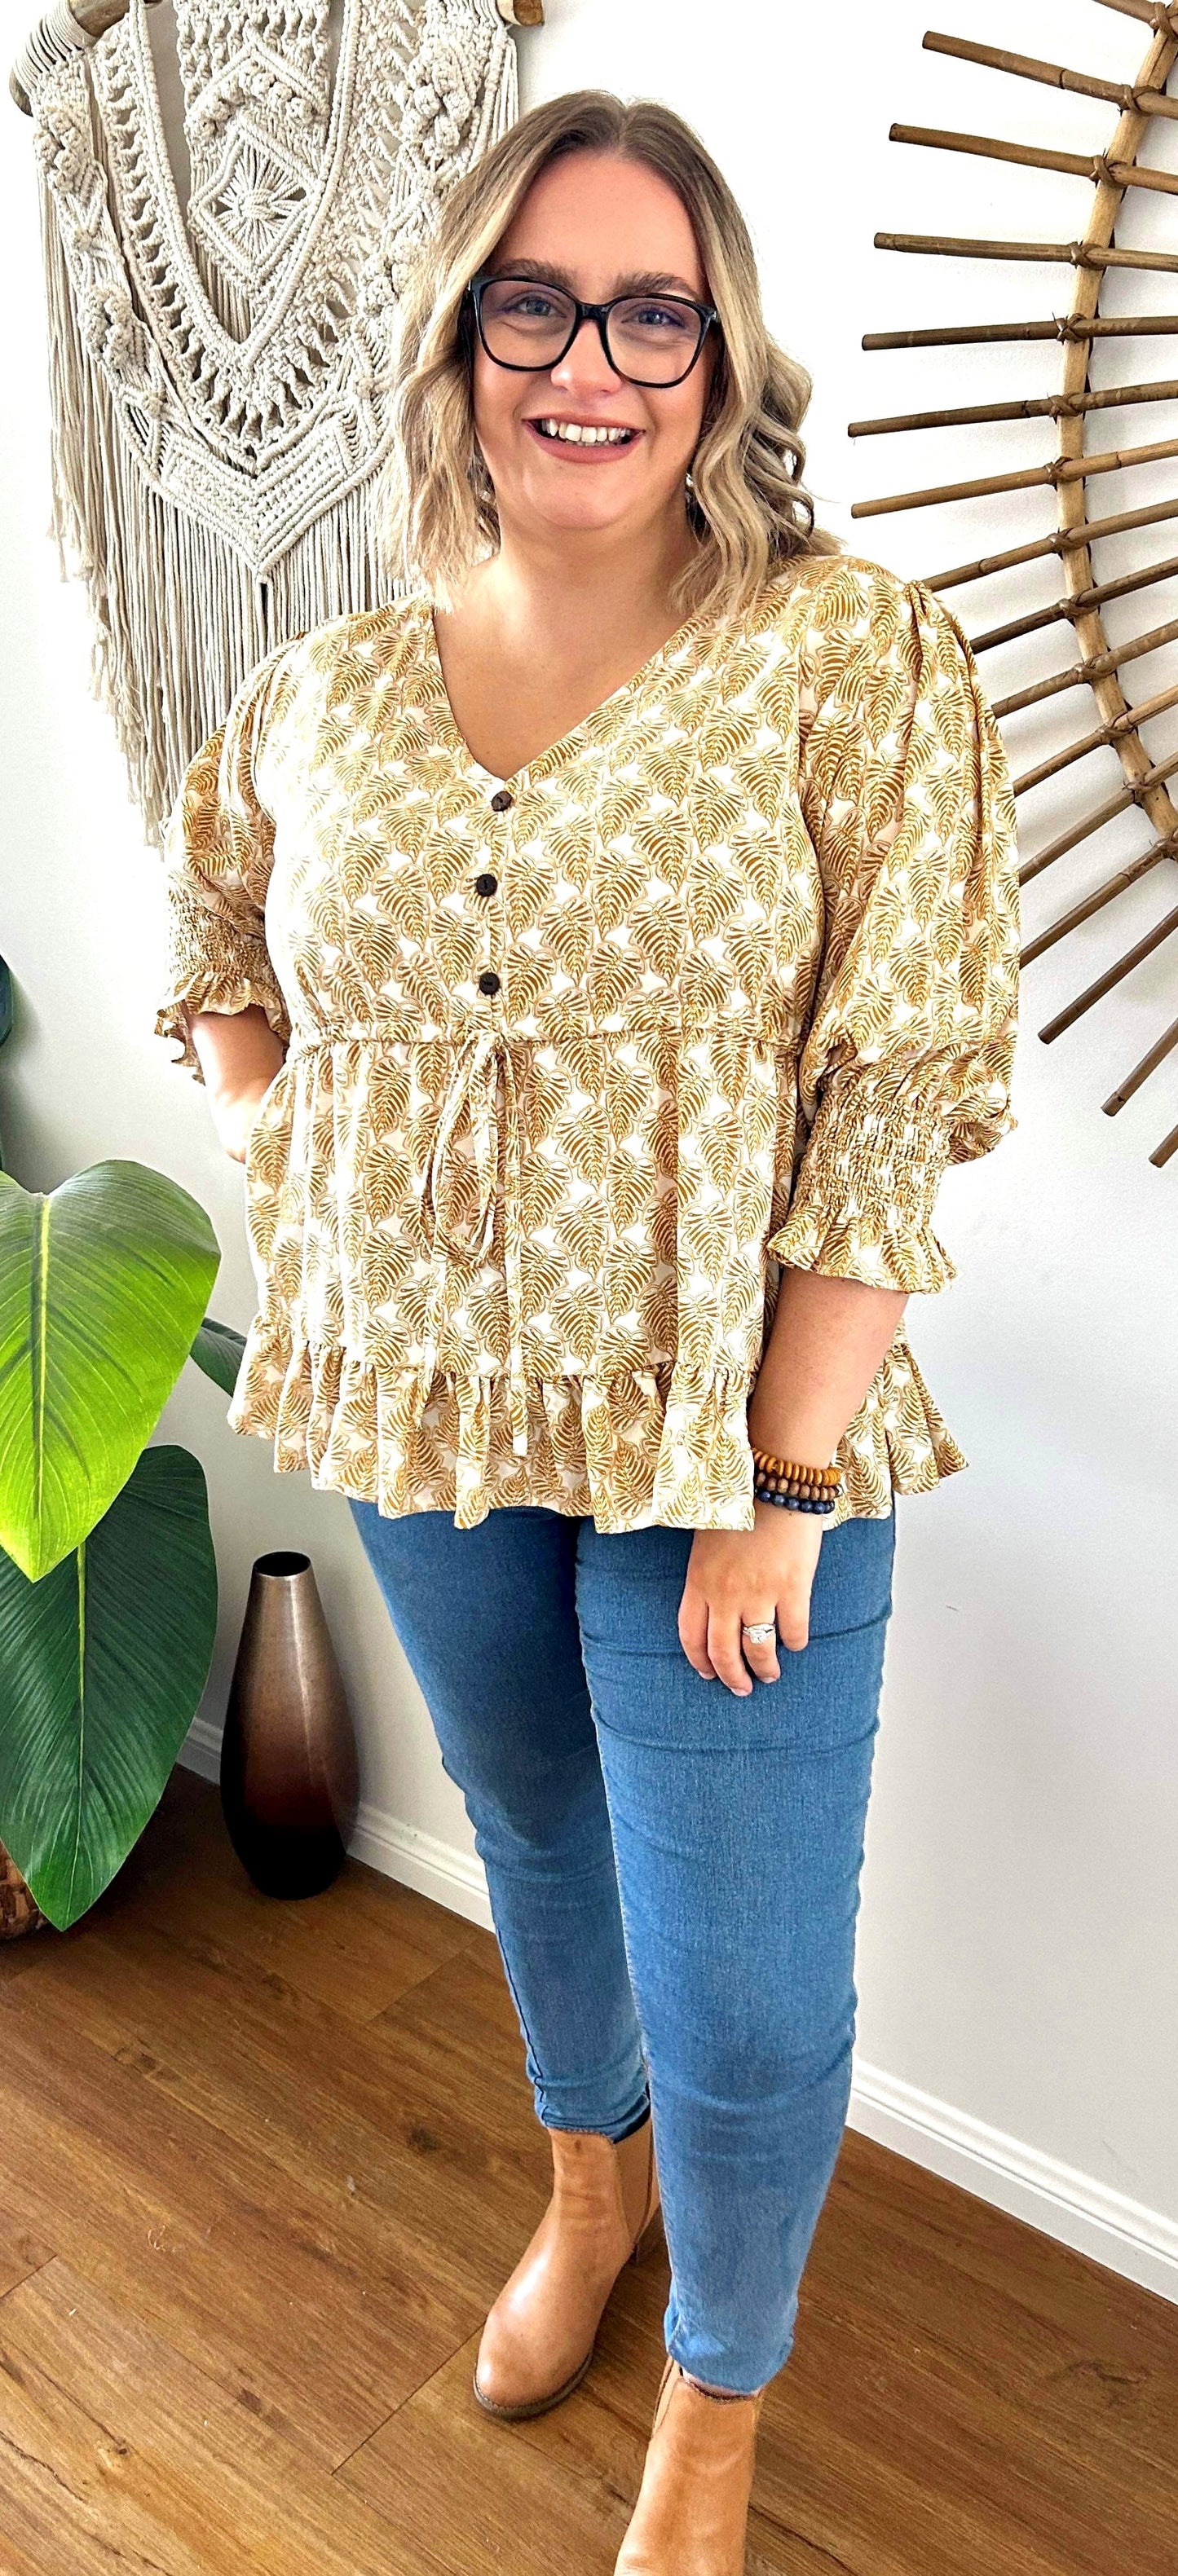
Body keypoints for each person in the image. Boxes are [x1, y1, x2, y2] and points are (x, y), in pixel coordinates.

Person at [155, 89, 1020, 2576]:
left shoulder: (848, 655)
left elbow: (896, 1082)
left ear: (723, 354)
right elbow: (213, 929)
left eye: (655, 312)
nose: (591, 363)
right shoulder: (324, 687)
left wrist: (785, 1477)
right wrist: (308, 1167)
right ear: (460, 345)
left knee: (745, 1995)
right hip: (429, 1416)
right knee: (534, 1829)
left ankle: (719, 2393)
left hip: (737, 1442)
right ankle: (584, 2188)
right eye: (535, 305)